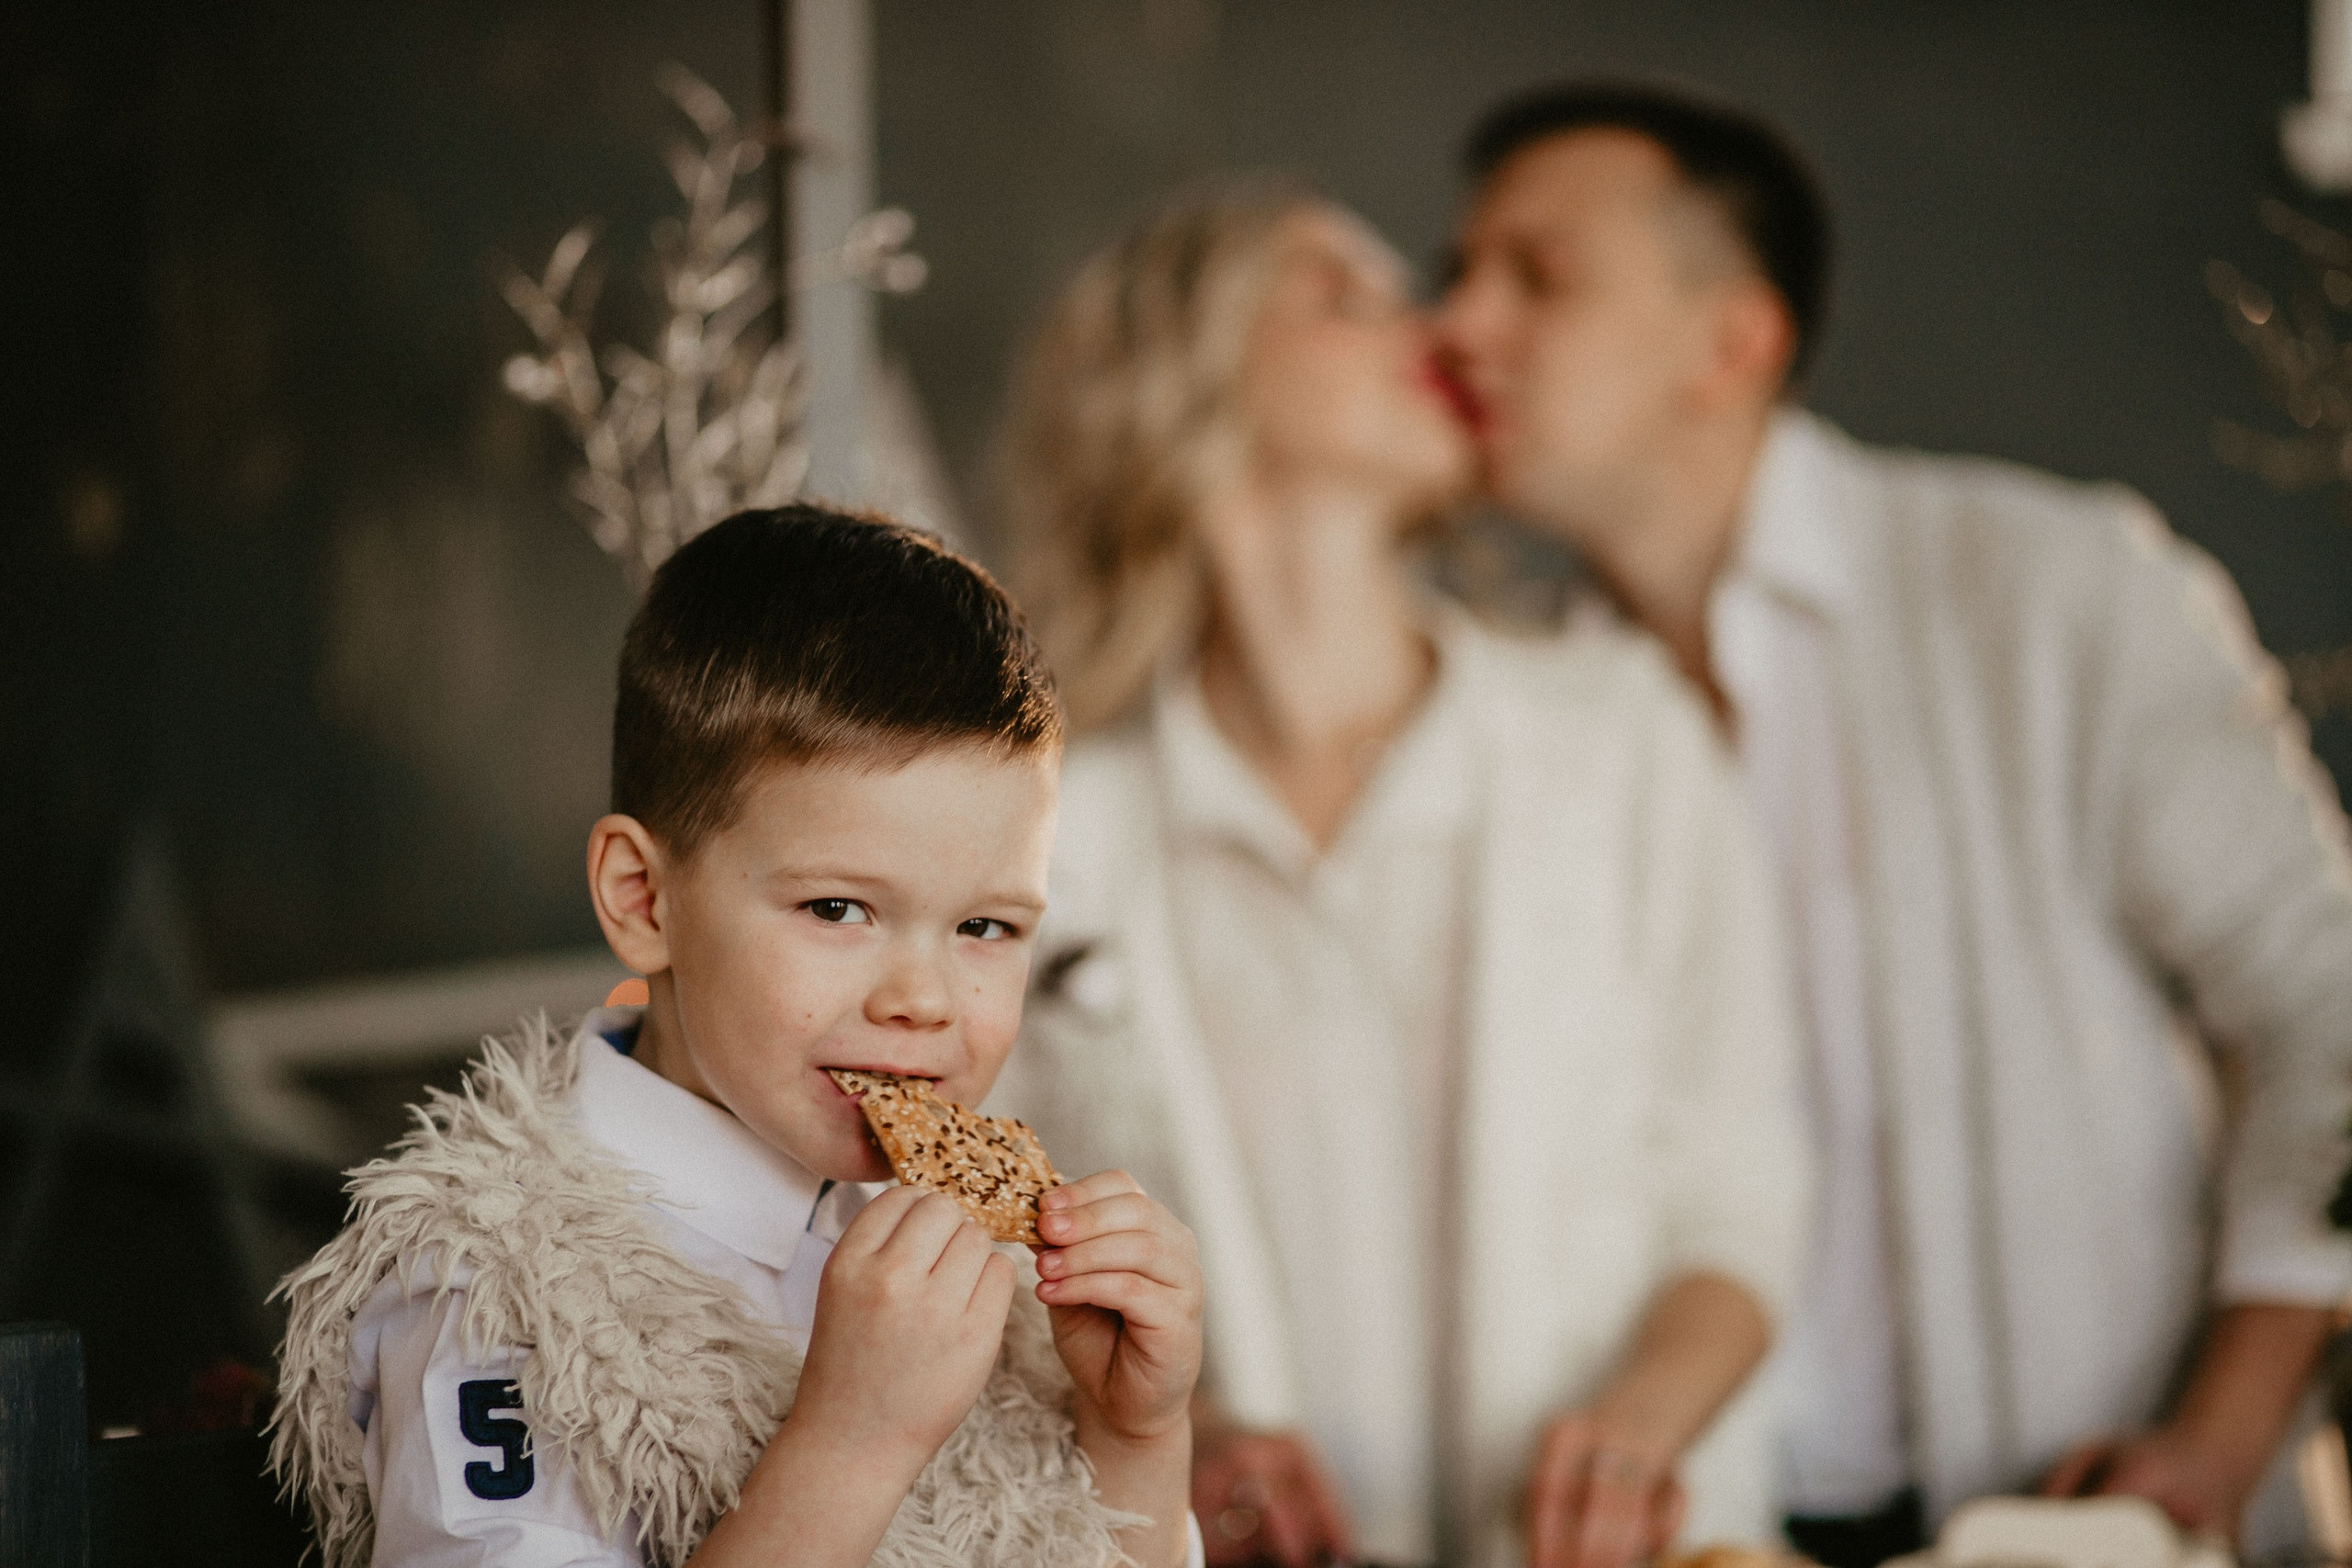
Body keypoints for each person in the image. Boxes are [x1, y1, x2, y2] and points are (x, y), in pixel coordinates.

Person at [1434, 80, 2352, 1566]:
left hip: (2090, 1527)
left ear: (1734, 340)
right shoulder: (1507, 708)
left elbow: (2332, 1007)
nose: (1458, 327)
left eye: (1535, 276)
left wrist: (2219, 1448)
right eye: (1455, 273)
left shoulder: (2056, 591)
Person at [989, 182, 1811, 1568]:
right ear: (1188, 366)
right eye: (1346, 294)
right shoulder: (1046, 829)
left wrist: (1642, 1426)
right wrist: (1173, 1423)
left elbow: (1744, 1197)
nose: (1436, 325)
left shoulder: (1624, 739)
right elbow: (987, 1229)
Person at [266, 507, 1207, 1568]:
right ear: (644, 900)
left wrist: (1134, 1434)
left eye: (985, 927)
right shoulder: (493, 1290)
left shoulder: (990, 1275)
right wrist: (849, 1446)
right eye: (839, 910)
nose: (925, 1000)